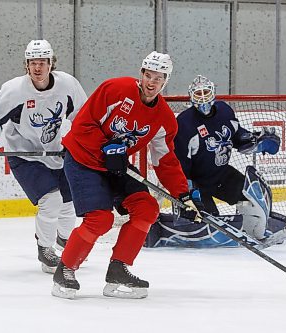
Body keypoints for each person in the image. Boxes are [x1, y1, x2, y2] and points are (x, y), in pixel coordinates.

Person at [51, 51, 202, 299]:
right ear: (141, 74)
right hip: (83, 160)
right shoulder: (115, 89)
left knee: (147, 209)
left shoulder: (164, 118)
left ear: (166, 81)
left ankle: (118, 270)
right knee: (100, 220)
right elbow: (83, 124)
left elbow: (165, 161)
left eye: (159, 78)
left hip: (116, 166)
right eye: (148, 75)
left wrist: (182, 195)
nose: (151, 82)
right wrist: (106, 147)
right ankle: (64, 270)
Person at [0, 40, 88, 274]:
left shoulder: (68, 85)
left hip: (56, 151)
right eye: (32, 63)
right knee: (51, 200)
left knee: (70, 201)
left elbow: (83, 116)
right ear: (26, 65)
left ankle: (64, 238)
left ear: (52, 63)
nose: (37, 68)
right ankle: (45, 248)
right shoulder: (14, 90)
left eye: (42, 62)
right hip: (25, 154)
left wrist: (86, 143)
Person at [145, 75, 286, 248]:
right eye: (198, 94)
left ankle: (253, 229)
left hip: (221, 176)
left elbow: (236, 137)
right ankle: (161, 229)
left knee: (250, 198)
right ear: (191, 96)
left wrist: (255, 142)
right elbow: (180, 162)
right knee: (206, 221)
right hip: (197, 181)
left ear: (213, 92)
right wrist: (187, 190)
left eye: (206, 92)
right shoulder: (185, 123)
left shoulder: (225, 111)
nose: (203, 97)